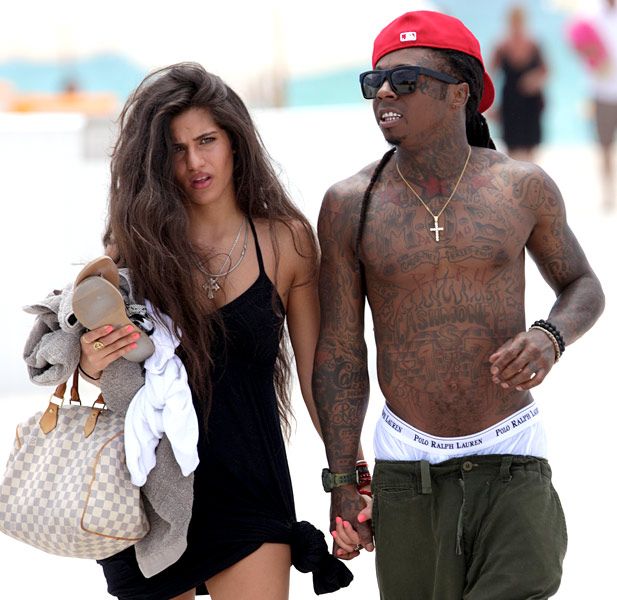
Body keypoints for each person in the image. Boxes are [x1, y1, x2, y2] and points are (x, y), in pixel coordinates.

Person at [24, 62, 354, 599]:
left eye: (207, 141)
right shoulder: (134, 250)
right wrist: (93, 359)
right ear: (156, 162)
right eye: (176, 150)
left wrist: (347, 474)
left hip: (250, 485)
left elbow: (322, 376)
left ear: (234, 142)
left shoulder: (286, 242)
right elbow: (109, 371)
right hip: (149, 499)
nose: (195, 162)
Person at [313, 10, 605, 599]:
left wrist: (550, 337)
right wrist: (343, 478)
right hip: (406, 465)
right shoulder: (350, 204)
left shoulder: (520, 187)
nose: (385, 93)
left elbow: (583, 286)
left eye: (405, 80)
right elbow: (342, 349)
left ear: (459, 93)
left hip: (512, 452)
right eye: (375, 82)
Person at [490, 5, 548, 162]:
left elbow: (546, 71)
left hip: (531, 102)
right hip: (510, 102)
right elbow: (489, 76)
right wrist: (490, 106)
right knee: (511, 150)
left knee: (531, 149)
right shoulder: (501, 46)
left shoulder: (534, 44)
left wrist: (534, 79)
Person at [575, 0, 617, 211]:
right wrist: (594, 56)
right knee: (604, 145)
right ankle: (608, 193)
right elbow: (576, 40)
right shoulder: (590, 12)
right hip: (601, 89)